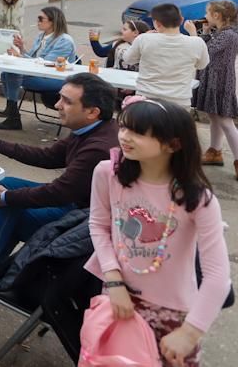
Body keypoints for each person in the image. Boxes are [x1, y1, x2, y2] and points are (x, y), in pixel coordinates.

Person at [86, 98, 229, 367]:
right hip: (118, 299)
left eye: (138, 132)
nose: (124, 137)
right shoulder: (107, 174)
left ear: (173, 144)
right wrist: (114, 282)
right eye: (123, 127)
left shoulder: (198, 199)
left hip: (173, 313)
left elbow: (218, 277)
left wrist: (190, 332)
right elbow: (99, 225)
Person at [0, 72, 119, 267]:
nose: (57, 105)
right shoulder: (91, 128)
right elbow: (48, 157)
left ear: (92, 112)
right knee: (6, 186)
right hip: (74, 201)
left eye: (67, 101)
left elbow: (59, 193)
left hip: (84, 219)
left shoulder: (99, 147)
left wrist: (7, 198)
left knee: (10, 209)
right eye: (60, 98)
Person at [0, 5, 79, 130]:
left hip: (56, 78)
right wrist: (22, 48)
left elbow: (45, 65)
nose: (38, 22)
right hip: (41, 75)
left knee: (13, 75)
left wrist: (19, 55)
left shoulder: (64, 41)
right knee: (6, 73)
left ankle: (13, 116)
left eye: (41, 19)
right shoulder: (41, 37)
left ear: (52, 21)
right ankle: (11, 109)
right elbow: (34, 60)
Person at [121, 3, 209, 106]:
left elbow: (128, 59)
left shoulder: (144, 39)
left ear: (157, 23)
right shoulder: (197, 42)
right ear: (181, 20)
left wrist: (143, 37)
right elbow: (202, 65)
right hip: (179, 102)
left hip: (146, 99)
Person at [192, 0, 238, 179]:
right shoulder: (222, 32)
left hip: (219, 81)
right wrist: (205, 33)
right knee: (214, 116)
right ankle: (215, 151)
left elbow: (205, 51)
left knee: (225, 121)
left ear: (217, 16)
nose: (205, 16)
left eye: (207, 13)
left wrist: (194, 35)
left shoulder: (229, 34)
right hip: (212, 79)